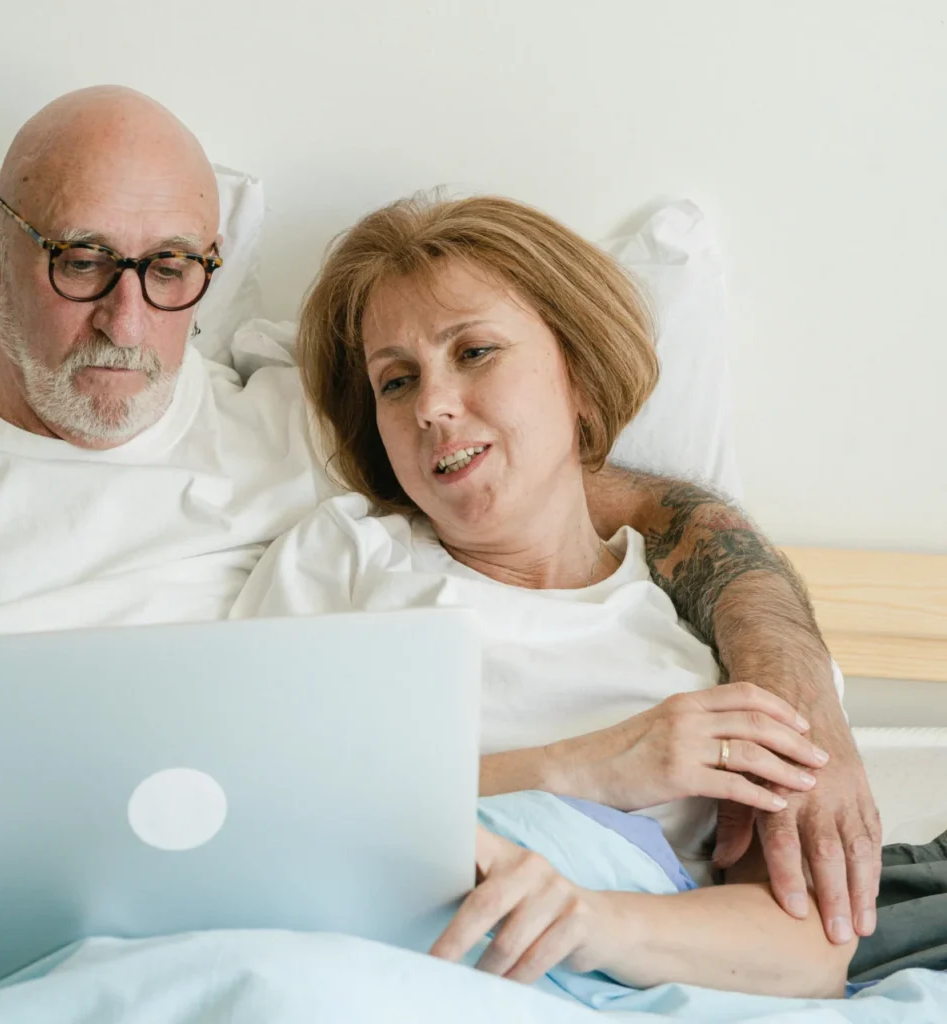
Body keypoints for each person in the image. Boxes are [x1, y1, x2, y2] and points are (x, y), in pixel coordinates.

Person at [0, 87, 877, 949]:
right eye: (78, 261)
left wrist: (796, 690)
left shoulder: (310, 428)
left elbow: (611, 496)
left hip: (177, 860)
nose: (125, 319)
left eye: (169, 271)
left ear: (207, 276)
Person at [228, 192, 872, 992]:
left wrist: (587, 919)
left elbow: (815, 949)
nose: (431, 406)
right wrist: (578, 768)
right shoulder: (341, 560)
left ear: (581, 381)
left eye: (474, 352)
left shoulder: (719, 644)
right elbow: (243, 820)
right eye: (396, 382)